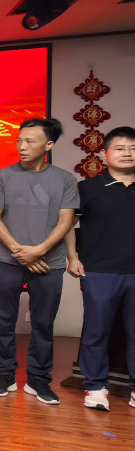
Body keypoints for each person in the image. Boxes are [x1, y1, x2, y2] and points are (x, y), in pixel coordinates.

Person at [0, 118, 78, 404]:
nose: (22, 146)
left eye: (30, 141)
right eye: (19, 140)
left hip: (49, 262)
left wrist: (39, 250)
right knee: (4, 322)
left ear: (48, 145)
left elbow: (66, 221)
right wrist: (20, 251)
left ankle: (38, 380)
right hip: (7, 260)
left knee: (43, 324)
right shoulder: (4, 176)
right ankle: (4, 375)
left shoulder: (65, 179)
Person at [67, 126, 135, 412]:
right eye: (120, 148)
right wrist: (72, 257)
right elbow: (68, 224)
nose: (127, 153)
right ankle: (95, 387)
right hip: (99, 272)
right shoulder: (87, 188)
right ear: (105, 153)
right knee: (96, 333)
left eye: (133, 148)